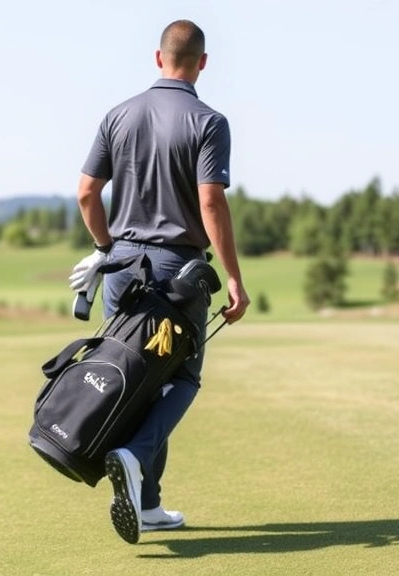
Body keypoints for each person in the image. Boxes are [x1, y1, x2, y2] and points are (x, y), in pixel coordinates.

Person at [67, 19, 251, 545]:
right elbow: (211, 200)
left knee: (135, 375)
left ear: (158, 58)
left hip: (122, 270)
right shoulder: (209, 121)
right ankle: (133, 455)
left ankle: (147, 504)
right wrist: (234, 279)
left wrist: (105, 248)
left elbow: (85, 193)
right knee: (180, 379)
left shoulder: (118, 115)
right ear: (203, 63)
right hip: (176, 274)